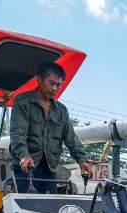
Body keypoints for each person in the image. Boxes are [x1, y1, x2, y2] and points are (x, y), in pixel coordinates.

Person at [9, 62, 94, 193]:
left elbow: (71, 138)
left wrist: (82, 161)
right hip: (25, 167)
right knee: (26, 207)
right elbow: (17, 132)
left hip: (50, 168)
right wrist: (24, 155)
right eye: (51, 83)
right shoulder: (23, 102)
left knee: (50, 208)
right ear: (39, 79)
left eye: (58, 85)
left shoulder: (61, 110)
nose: (54, 88)